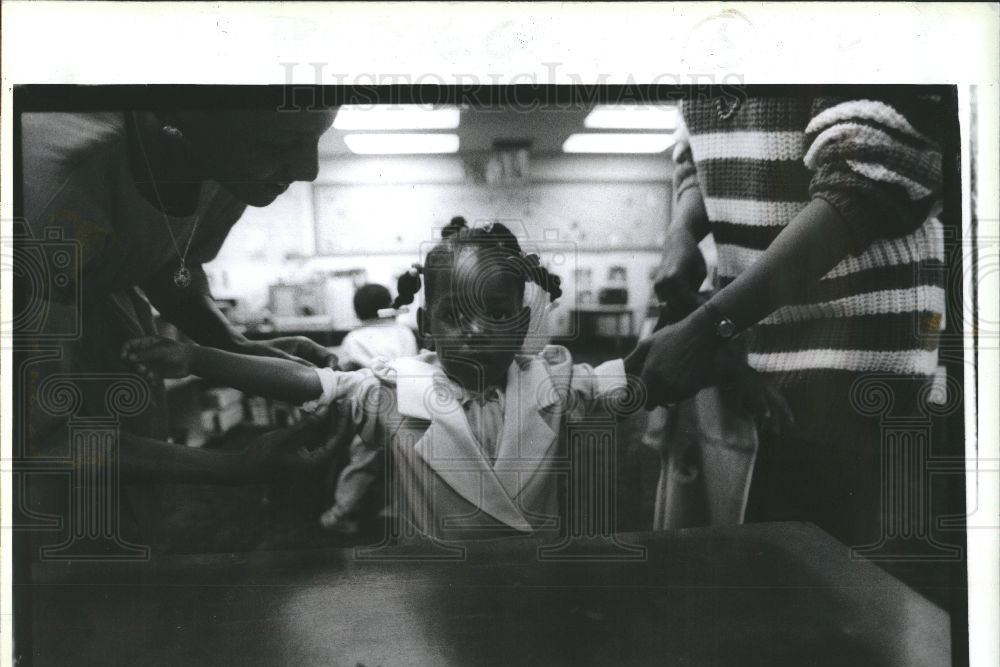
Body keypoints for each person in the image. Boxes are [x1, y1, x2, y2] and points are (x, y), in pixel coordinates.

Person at [123, 223, 645, 544]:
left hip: (533, 580)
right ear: (426, 328)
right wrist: (199, 357)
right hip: (432, 579)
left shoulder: (553, 380)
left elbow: (646, 372)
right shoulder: (395, 391)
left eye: (498, 313)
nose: (477, 329)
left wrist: (716, 317)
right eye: (455, 314)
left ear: (522, 322)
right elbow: (310, 383)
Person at [16, 101, 346, 553]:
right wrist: (236, 466)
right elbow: (43, 442)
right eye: (281, 143)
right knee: (55, 539)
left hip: (94, 310)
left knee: (129, 521)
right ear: (183, 110)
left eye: (315, 139)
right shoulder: (52, 189)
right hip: (30, 318)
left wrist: (237, 347)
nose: (308, 170)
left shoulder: (226, 161)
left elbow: (170, 261)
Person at [636, 89, 947, 564]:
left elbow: (870, 176)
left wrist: (707, 328)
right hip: (753, 358)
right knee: (772, 586)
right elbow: (694, 151)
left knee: (860, 597)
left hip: (860, 366)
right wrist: (682, 230)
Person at [319, 283, 418, 535]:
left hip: (372, 402)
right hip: (409, 399)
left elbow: (342, 373)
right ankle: (401, 507)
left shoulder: (353, 338)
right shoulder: (404, 332)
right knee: (406, 458)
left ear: (358, 311)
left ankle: (339, 512)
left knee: (364, 458)